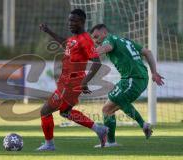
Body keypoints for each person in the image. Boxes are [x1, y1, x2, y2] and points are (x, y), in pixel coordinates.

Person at [37, 9, 108, 151]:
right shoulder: (74, 39)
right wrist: (49, 31)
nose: (70, 23)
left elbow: (97, 62)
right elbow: (66, 44)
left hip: (71, 83)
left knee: (45, 111)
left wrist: (85, 82)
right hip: (67, 82)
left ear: (82, 22)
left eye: (74, 20)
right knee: (65, 112)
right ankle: (99, 129)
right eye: (69, 20)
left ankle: (49, 144)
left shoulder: (85, 39)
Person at [90, 24, 164, 148]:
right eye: (93, 38)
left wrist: (89, 52)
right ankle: (111, 142)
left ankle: (143, 124)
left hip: (133, 78)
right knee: (107, 109)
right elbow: (148, 52)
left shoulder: (109, 39)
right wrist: (154, 72)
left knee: (116, 96)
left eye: (97, 37)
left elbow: (107, 47)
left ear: (104, 33)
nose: (96, 40)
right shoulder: (124, 41)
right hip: (139, 78)